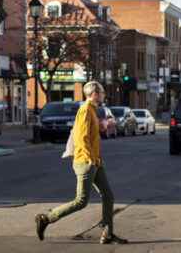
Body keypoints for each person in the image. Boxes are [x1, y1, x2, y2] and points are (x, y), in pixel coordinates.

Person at [34, 81, 127, 245]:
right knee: (81, 201)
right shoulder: (84, 110)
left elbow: (94, 129)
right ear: (94, 94)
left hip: (95, 161)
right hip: (86, 161)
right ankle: (46, 218)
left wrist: (105, 125)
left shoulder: (92, 110)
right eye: (102, 92)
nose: (104, 95)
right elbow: (81, 138)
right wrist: (90, 159)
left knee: (108, 196)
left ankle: (108, 233)